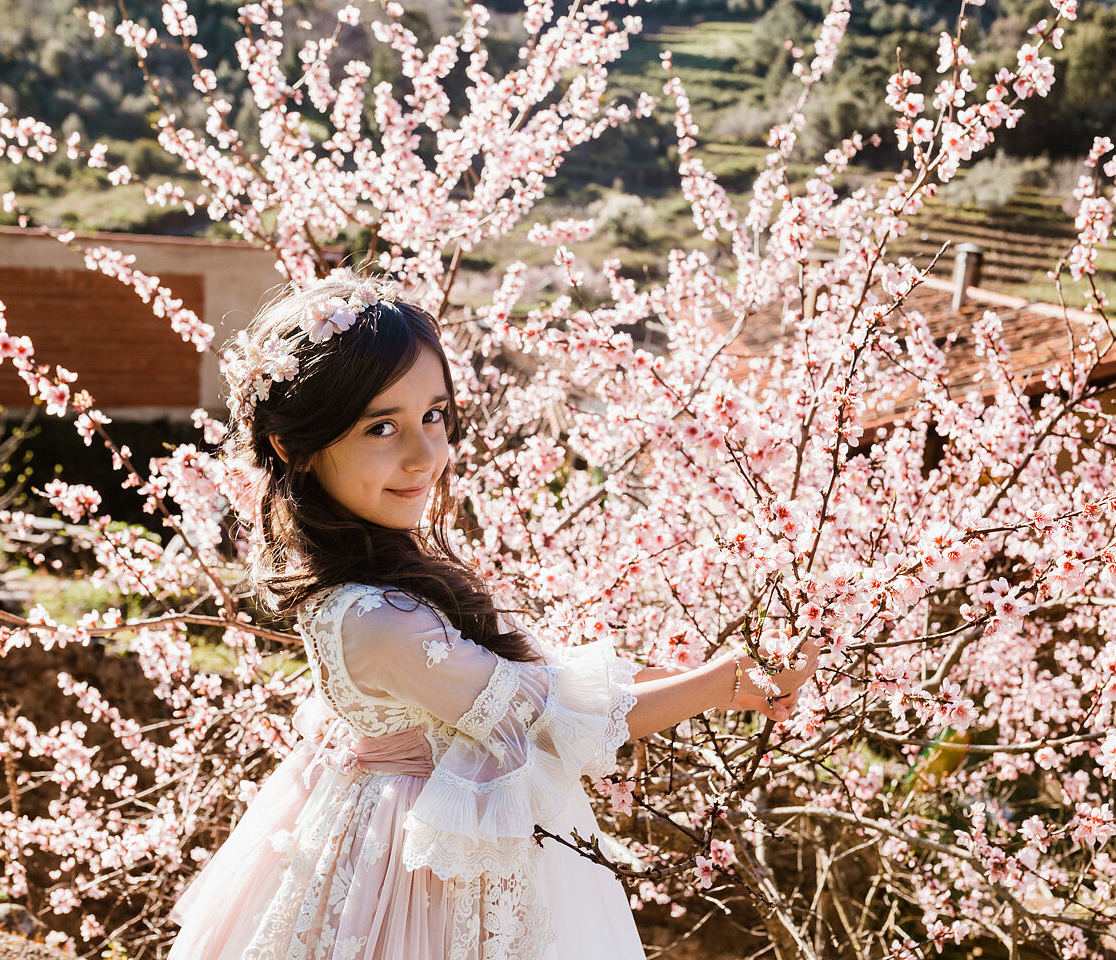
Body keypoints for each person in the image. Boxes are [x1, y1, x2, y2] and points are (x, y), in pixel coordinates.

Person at [167, 277, 821, 960]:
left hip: (409, 844)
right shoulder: (376, 619)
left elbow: (547, 683)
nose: (425, 456)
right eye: (380, 427)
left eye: (434, 416)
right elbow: (547, 717)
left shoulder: (379, 574)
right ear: (292, 446)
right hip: (413, 875)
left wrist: (721, 677)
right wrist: (722, 683)